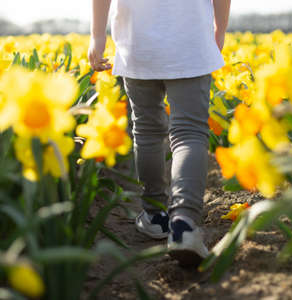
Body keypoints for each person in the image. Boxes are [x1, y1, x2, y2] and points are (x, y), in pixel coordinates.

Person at [89, 0, 231, 267]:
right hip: (190, 40)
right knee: (189, 133)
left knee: (146, 130)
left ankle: (155, 215)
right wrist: (219, 29)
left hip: (138, 43)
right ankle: (184, 223)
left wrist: (97, 36)